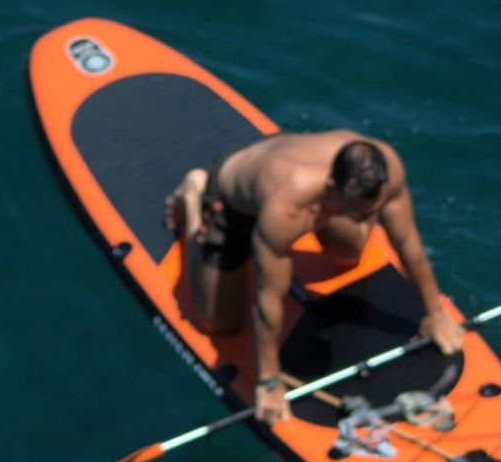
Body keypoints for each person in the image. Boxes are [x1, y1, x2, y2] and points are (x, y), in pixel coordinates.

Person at [164, 134, 464, 424]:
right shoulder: (288, 210)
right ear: (333, 187)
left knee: (350, 253)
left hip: (293, 171)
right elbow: (267, 298)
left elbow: (408, 242)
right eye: (358, 213)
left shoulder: (386, 169)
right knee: (218, 322)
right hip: (234, 201)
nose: (366, 220)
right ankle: (194, 194)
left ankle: (304, 225)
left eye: (372, 212)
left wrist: (434, 313)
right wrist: (268, 381)